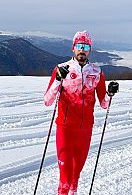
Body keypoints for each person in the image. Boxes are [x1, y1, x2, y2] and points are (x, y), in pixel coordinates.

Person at [44, 30, 119, 195]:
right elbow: (48, 101)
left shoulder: (96, 72)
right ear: (73, 48)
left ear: (89, 50)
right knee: (65, 177)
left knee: (76, 175)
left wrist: (110, 94)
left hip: (85, 130)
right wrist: (58, 80)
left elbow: (104, 104)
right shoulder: (61, 69)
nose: (82, 50)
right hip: (65, 128)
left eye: (85, 46)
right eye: (79, 46)